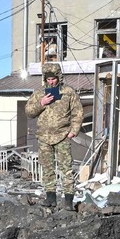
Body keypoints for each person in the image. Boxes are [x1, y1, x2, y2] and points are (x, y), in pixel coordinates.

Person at [25, 62, 83, 210]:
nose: (51, 81)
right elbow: (29, 112)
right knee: (47, 169)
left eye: (54, 78)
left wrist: (73, 131)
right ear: (45, 78)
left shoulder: (68, 92)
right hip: (44, 137)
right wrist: (41, 103)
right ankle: (50, 198)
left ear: (59, 77)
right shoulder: (39, 93)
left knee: (66, 169)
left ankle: (68, 200)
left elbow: (78, 113)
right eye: (48, 79)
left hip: (62, 135)